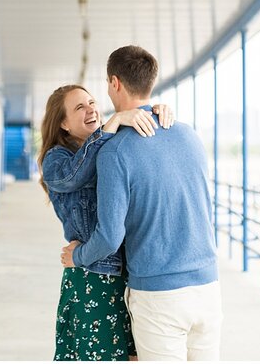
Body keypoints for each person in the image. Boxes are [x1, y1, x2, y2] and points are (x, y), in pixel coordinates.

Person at [61, 46, 221, 361]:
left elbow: (109, 237)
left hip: (160, 294)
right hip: (208, 287)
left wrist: (77, 255)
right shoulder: (189, 135)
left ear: (114, 83)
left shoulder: (115, 150)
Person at [39, 84, 174, 362]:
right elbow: (74, 176)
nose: (91, 109)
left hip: (130, 272)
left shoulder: (109, 144)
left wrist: (157, 113)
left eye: (91, 102)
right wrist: (110, 124)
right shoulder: (56, 159)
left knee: (133, 355)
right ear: (63, 123)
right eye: (79, 107)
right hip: (93, 273)